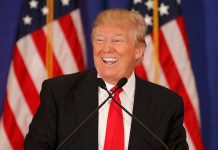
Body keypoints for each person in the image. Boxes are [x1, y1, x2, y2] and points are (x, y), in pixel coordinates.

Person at [24, 9, 188, 150]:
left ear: (138, 50)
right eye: (100, 40)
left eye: (117, 40)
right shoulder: (59, 93)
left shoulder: (166, 105)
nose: (106, 49)